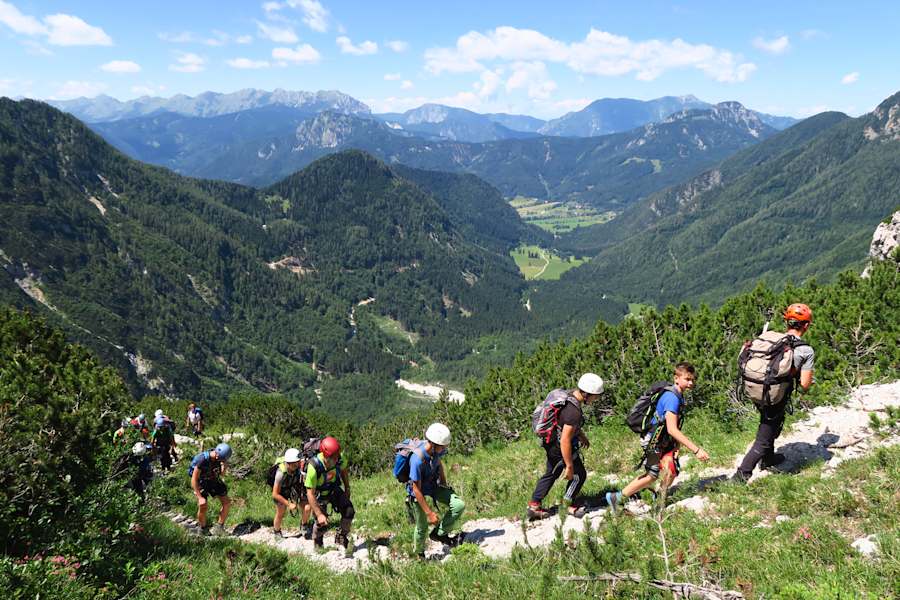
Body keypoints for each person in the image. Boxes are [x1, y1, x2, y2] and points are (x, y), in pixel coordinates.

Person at [606, 362, 709, 511]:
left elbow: (674, 426)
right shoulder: (672, 398)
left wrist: (676, 447)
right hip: (652, 440)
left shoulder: (678, 395)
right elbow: (673, 429)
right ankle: (616, 498)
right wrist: (697, 450)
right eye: (687, 379)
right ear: (676, 378)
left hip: (663, 439)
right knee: (652, 474)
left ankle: (659, 498)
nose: (691, 383)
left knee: (672, 468)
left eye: (693, 379)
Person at [734, 304, 815, 482]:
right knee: (765, 435)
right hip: (775, 394)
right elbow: (805, 384)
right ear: (806, 325)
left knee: (768, 422)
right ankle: (741, 475)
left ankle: (768, 458)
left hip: (757, 388)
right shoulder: (805, 350)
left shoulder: (774, 339)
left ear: (786, 322)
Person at [527, 373, 604, 521]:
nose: (596, 399)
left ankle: (534, 505)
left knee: (551, 473)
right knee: (579, 475)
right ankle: (567, 504)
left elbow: (565, 424)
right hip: (559, 447)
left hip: (550, 442)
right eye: (595, 396)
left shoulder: (568, 396)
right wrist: (569, 465)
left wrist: (581, 436)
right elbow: (565, 440)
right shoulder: (573, 411)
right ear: (587, 394)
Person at [407, 423, 465, 558]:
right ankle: (419, 554)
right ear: (433, 444)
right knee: (422, 526)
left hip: (433, 485)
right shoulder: (417, 460)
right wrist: (429, 513)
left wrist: (443, 482)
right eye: (443, 446)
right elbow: (416, 489)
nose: (445, 448)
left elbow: (438, 462)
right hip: (418, 491)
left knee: (458, 505)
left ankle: (439, 534)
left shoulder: (436, 450)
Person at [304, 436, 354, 549]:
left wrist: (347, 488)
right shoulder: (314, 466)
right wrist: (319, 514)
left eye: (337, 456)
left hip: (333, 488)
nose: (337, 459)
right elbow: (310, 493)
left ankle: (341, 536)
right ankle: (318, 543)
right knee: (321, 522)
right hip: (318, 493)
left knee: (349, 511)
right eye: (334, 457)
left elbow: (344, 471)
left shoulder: (339, 458)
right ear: (326, 456)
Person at [189, 443, 232, 536]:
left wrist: (224, 466)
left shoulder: (220, 459)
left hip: (212, 479)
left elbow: (222, 474)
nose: (222, 461)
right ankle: (202, 529)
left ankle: (219, 527)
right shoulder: (202, 460)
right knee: (203, 505)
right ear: (217, 455)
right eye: (222, 459)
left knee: (227, 502)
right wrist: (199, 497)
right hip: (201, 482)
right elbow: (194, 479)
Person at [271, 447, 311, 538]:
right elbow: (275, 494)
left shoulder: (299, 468)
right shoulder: (280, 473)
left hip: (294, 486)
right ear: (288, 464)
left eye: (298, 463)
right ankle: (277, 531)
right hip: (281, 491)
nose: (297, 465)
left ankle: (304, 525)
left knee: (307, 508)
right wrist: (289, 504)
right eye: (294, 464)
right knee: (281, 512)